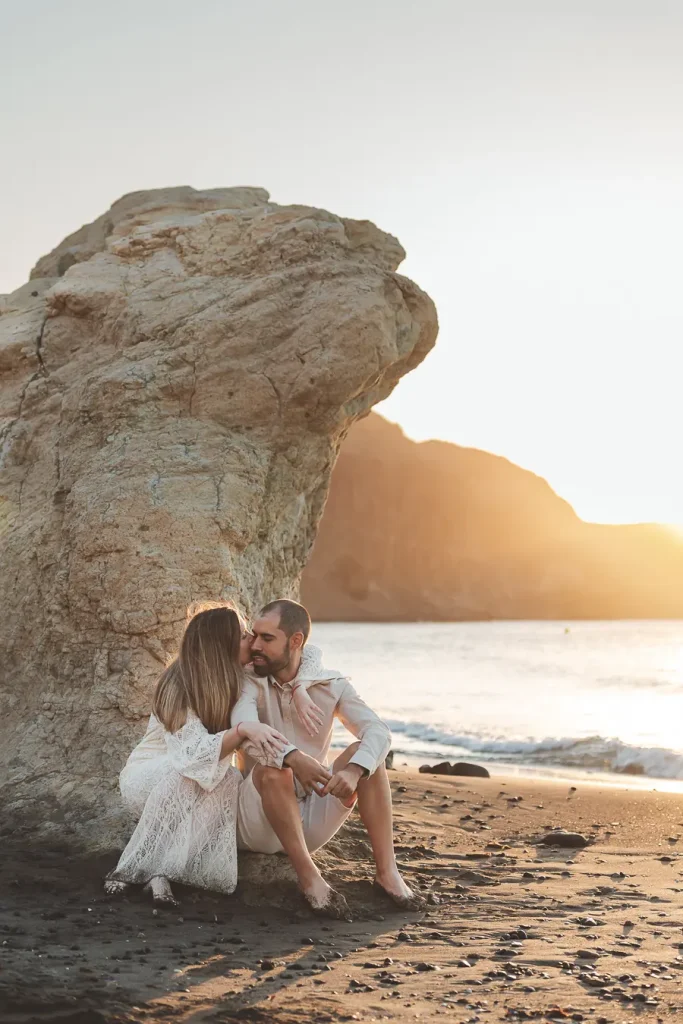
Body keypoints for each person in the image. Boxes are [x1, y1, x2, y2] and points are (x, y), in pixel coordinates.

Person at [231, 598, 425, 919]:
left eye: (267, 638)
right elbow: (244, 729)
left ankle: (387, 874)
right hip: (257, 821)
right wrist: (293, 758)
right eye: (254, 635)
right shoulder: (248, 681)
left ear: (295, 641)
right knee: (273, 770)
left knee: (367, 759)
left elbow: (378, 731)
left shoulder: (331, 685)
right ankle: (310, 880)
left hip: (309, 818)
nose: (255, 646)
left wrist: (354, 772)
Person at [104, 603, 289, 906]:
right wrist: (242, 730)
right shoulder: (177, 683)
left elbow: (305, 654)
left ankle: (160, 873)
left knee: (229, 778)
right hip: (150, 777)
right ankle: (129, 869)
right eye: (244, 636)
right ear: (223, 644)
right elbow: (190, 755)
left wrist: (302, 691)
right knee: (189, 775)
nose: (253, 643)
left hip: (196, 777)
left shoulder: (237, 676)